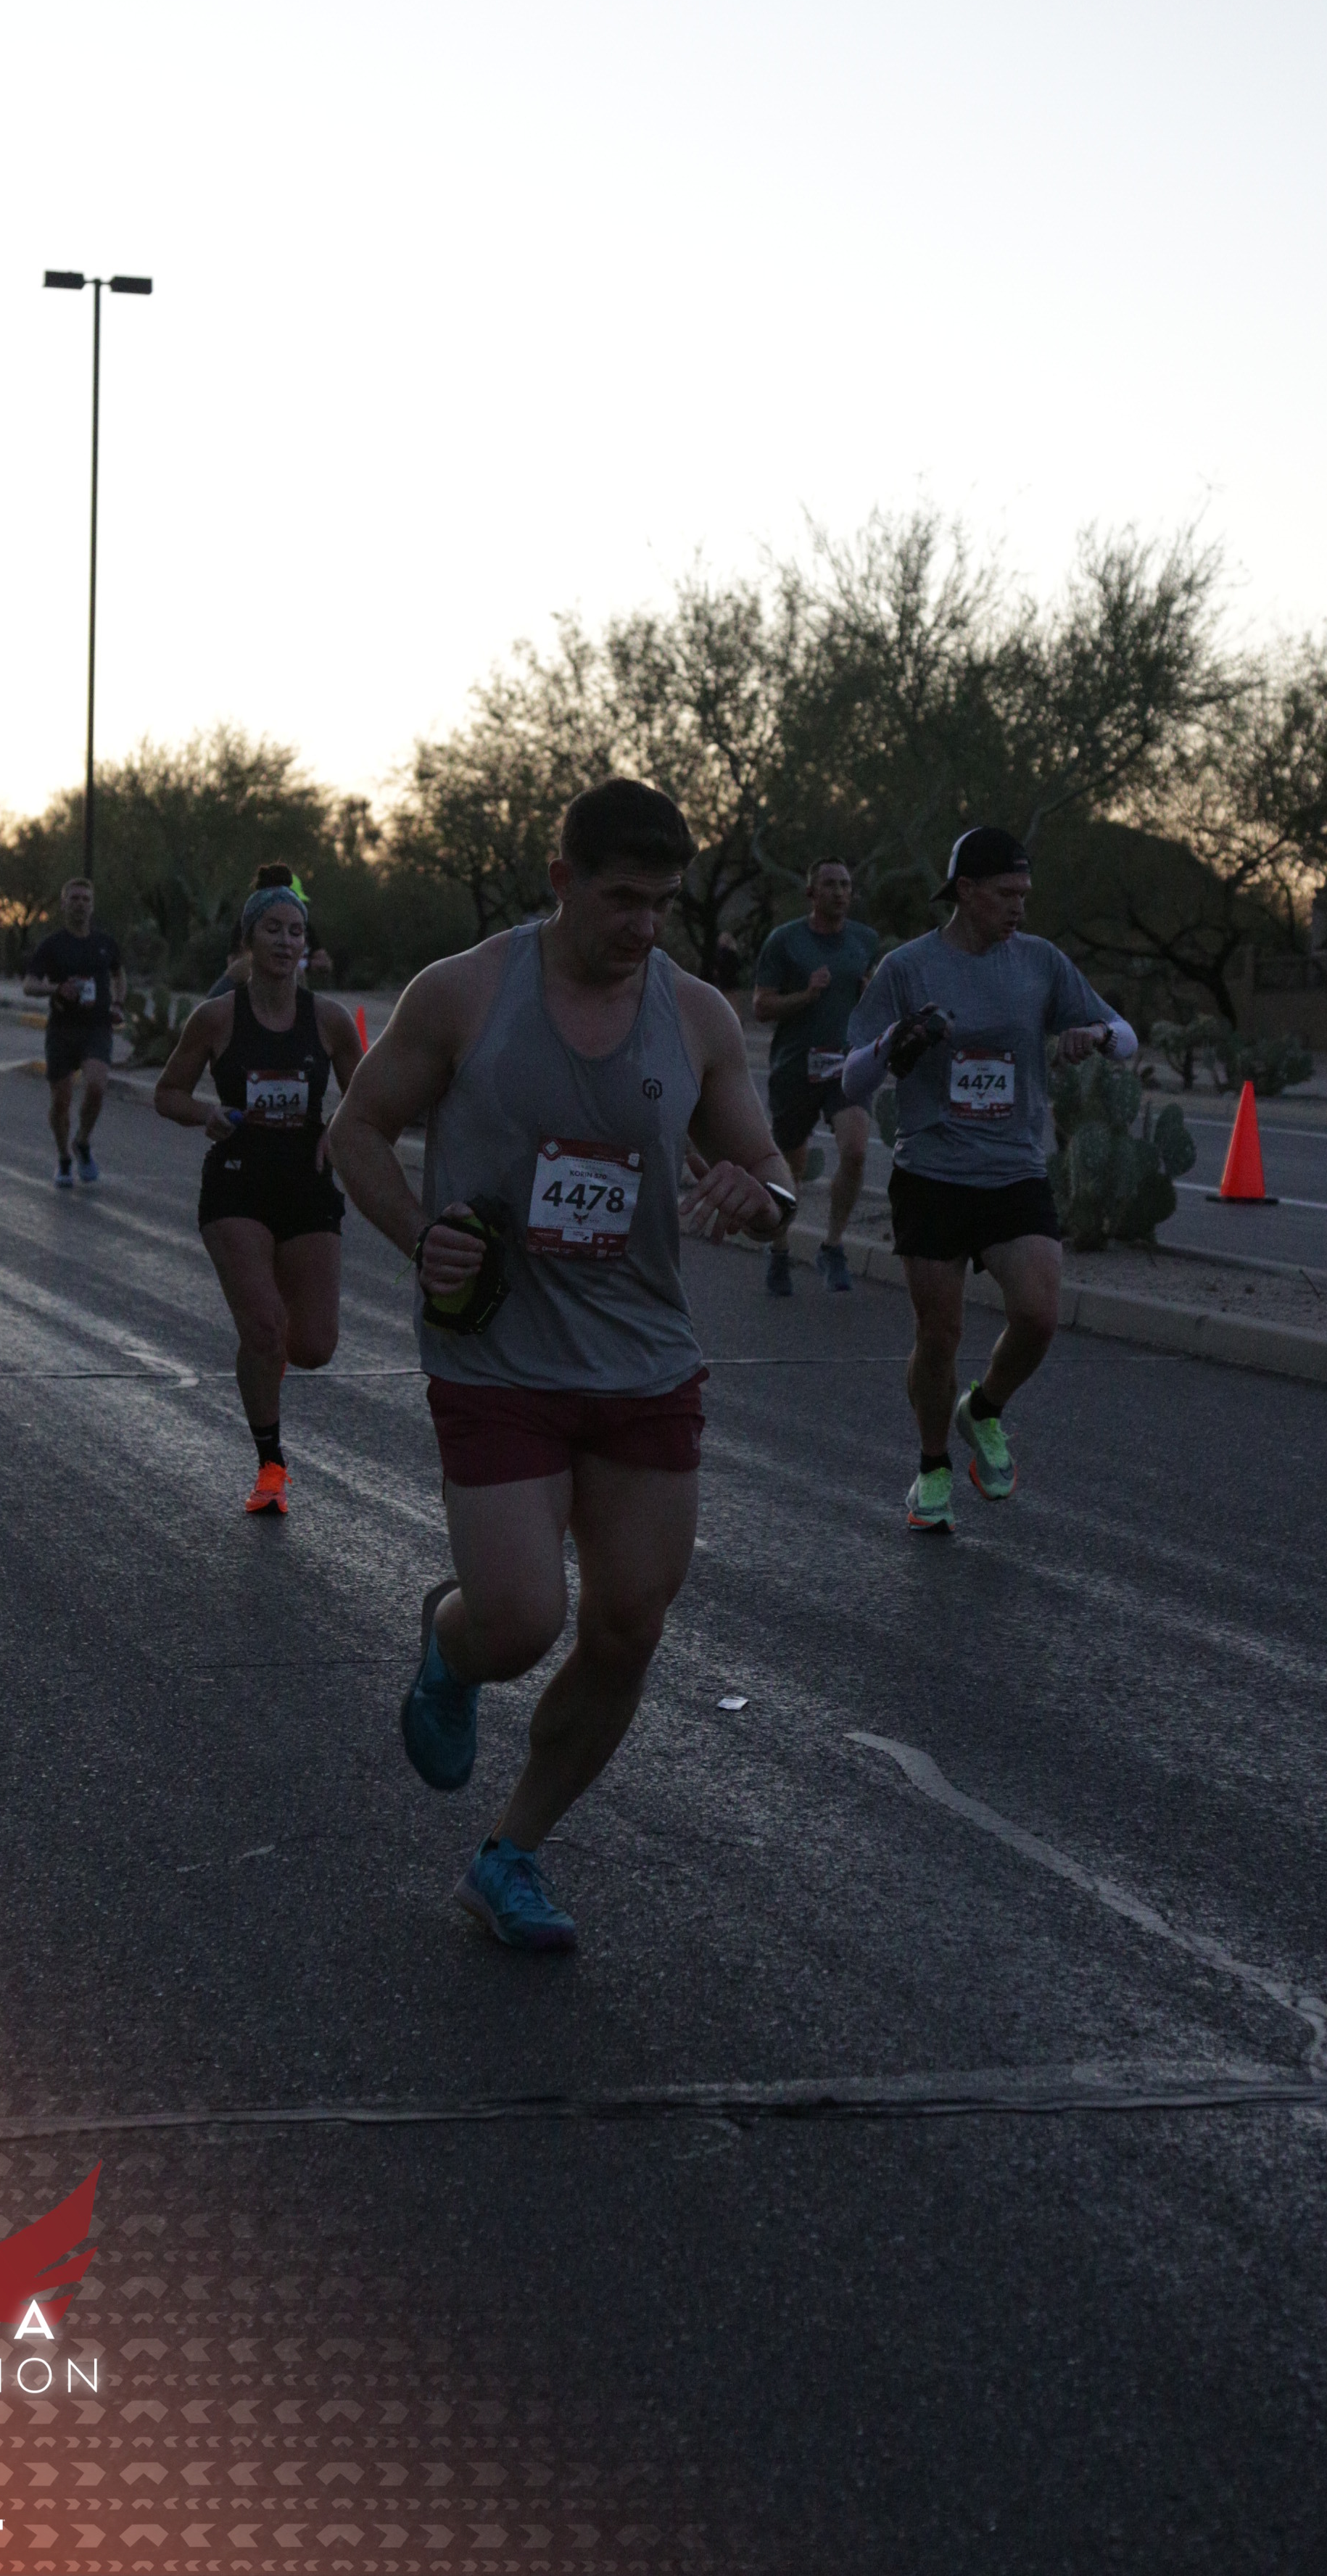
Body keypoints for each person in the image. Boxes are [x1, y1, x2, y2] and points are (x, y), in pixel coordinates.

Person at [327, 777, 796, 1955]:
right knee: (523, 1620)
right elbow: (356, 1132)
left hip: (643, 1362)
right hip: (497, 1356)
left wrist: (764, 1197)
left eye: (663, 902)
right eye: (623, 898)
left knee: (630, 1625)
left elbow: (771, 1172)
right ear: (562, 882)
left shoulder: (696, 1018)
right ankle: (452, 1644)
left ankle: (512, 1853)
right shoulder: (466, 993)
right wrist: (417, 1237)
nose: (645, 924)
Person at [842, 826, 1136, 1534]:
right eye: (1005, 894)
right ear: (966, 892)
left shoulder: (1039, 962)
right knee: (939, 1334)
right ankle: (932, 1467)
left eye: (1025, 895)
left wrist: (1097, 1037)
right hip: (932, 1172)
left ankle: (984, 1409)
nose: (1019, 907)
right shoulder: (907, 968)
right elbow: (850, 1079)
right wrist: (894, 1042)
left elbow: (1125, 1037)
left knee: (1038, 1314)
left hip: (1013, 1170)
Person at [154, 869, 363, 1513]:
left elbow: (368, 1098)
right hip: (237, 1184)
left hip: (305, 1184)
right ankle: (270, 1467)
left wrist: (337, 1130)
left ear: (306, 944)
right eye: (273, 929)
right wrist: (205, 1114)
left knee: (314, 1347)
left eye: (296, 931)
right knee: (267, 1329)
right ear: (249, 939)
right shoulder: (217, 1018)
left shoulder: (330, 1021)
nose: (285, 941)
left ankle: (263, 1352)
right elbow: (168, 1093)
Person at [752, 858, 879, 1295]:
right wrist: (806, 996)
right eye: (829, 884)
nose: (839, 892)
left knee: (856, 1150)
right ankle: (780, 1249)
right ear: (811, 893)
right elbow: (761, 1006)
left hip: (847, 1065)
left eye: (845, 885)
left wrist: (870, 995)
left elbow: (873, 999)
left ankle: (833, 1245)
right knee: (792, 1168)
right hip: (795, 1067)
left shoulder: (865, 941)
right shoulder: (785, 941)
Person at [23, 879, 125, 1186]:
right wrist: (56, 989)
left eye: (86, 899)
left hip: (97, 1028)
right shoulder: (52, 945)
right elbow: (29, 984)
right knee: (61, 1101)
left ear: (92, 906)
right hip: (62, 1030)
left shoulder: (105, 943)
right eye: (75, 899)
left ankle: (82, 1141)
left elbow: (119, 974)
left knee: (96, 1086)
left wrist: (118, 1003)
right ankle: (64, 1159)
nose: (80, 904)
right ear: (64, 904)